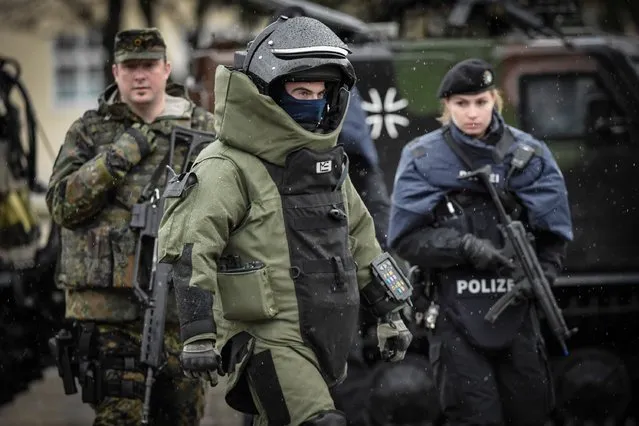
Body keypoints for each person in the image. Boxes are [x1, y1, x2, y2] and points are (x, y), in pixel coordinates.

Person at [157, 16, 413, 426]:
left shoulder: (329, 167)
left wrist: (391, 312)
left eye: (319, 93)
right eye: (299, 92)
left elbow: (363, 239)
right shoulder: (226, 166)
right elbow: (188, 248)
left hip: (325, 336)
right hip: (264, 340)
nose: (311, 102)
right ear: (269, 94)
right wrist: (198, 333)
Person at [388, 58, 573, 426]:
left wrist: (542, 275)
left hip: (518, 313)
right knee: (474, 416)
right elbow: (406, 239)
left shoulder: (530, 155)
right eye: (461, 104)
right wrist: (465, 247)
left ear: (495, 101)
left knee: (531, 412)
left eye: (481, 102)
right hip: (454, 314)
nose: (472, 113)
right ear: (447, 106)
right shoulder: (423, 157)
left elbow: (554, 235)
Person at [46, 28, 215, 425]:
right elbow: (63, 206)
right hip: (109, 315)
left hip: (181, 308)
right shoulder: (89, 131)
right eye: (130, 66)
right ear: (115, 72)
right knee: (120, 417)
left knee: (181, 416)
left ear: (166, 69)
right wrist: (126, 150)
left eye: (149, 66)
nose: (140, 75)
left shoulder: (204, 128)